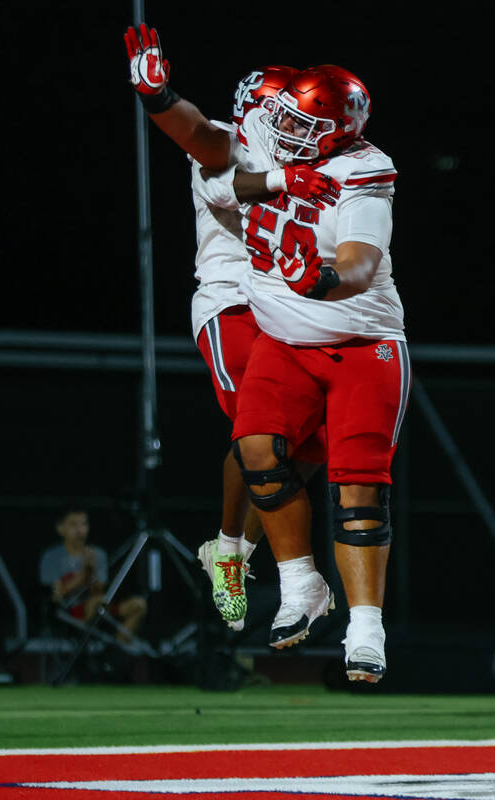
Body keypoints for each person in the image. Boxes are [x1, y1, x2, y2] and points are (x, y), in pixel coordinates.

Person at [124, 25, 337, 632]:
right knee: (256, 433)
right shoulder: (234, 145)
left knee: (311, 441)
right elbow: (198, 132)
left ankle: (232, 550)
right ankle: (233, 551)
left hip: (299, 311)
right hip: (235, 305)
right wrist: (158, 101)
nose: (292, 128)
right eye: (284, 115)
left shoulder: (320, 156)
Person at [201, 65, 408, 683]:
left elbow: (361, 262)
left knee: (358, 492)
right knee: (255, 447)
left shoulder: (366, 169)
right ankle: (298, 583)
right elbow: (217, 182)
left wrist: (321, 280)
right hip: (281, 337)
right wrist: (275, 177)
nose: (285, 127)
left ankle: (365, 626)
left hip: (359, 339)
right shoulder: (262, 132)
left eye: (303, 123)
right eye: (283, 114)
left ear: (338, 132)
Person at [39, 506, 147, 641]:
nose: (80, 531)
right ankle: (81, 644)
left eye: (84, 524)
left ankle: (118, 648)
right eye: (73, 524)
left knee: (138, 604)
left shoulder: (97, 554)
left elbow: (99, 589)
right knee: (96, 603)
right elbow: (57, 595)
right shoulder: (51, 556)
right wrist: (84, 574)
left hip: (97, 608)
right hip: (66, 613)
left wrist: (91, 571)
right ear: (60, 528)